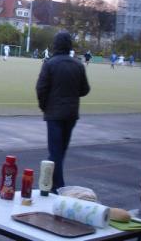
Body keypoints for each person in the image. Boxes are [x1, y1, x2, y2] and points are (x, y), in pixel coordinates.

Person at [36, 32, 90, 192]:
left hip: (54, 113)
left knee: (55, 152)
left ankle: (56, 186)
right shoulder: (78, 65)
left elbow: (41, 88)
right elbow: (85, 89)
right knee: (60, 151)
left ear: (55, 45)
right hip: (71, 114)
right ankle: (53, 185)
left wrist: (44, 106)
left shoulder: (50, 64)